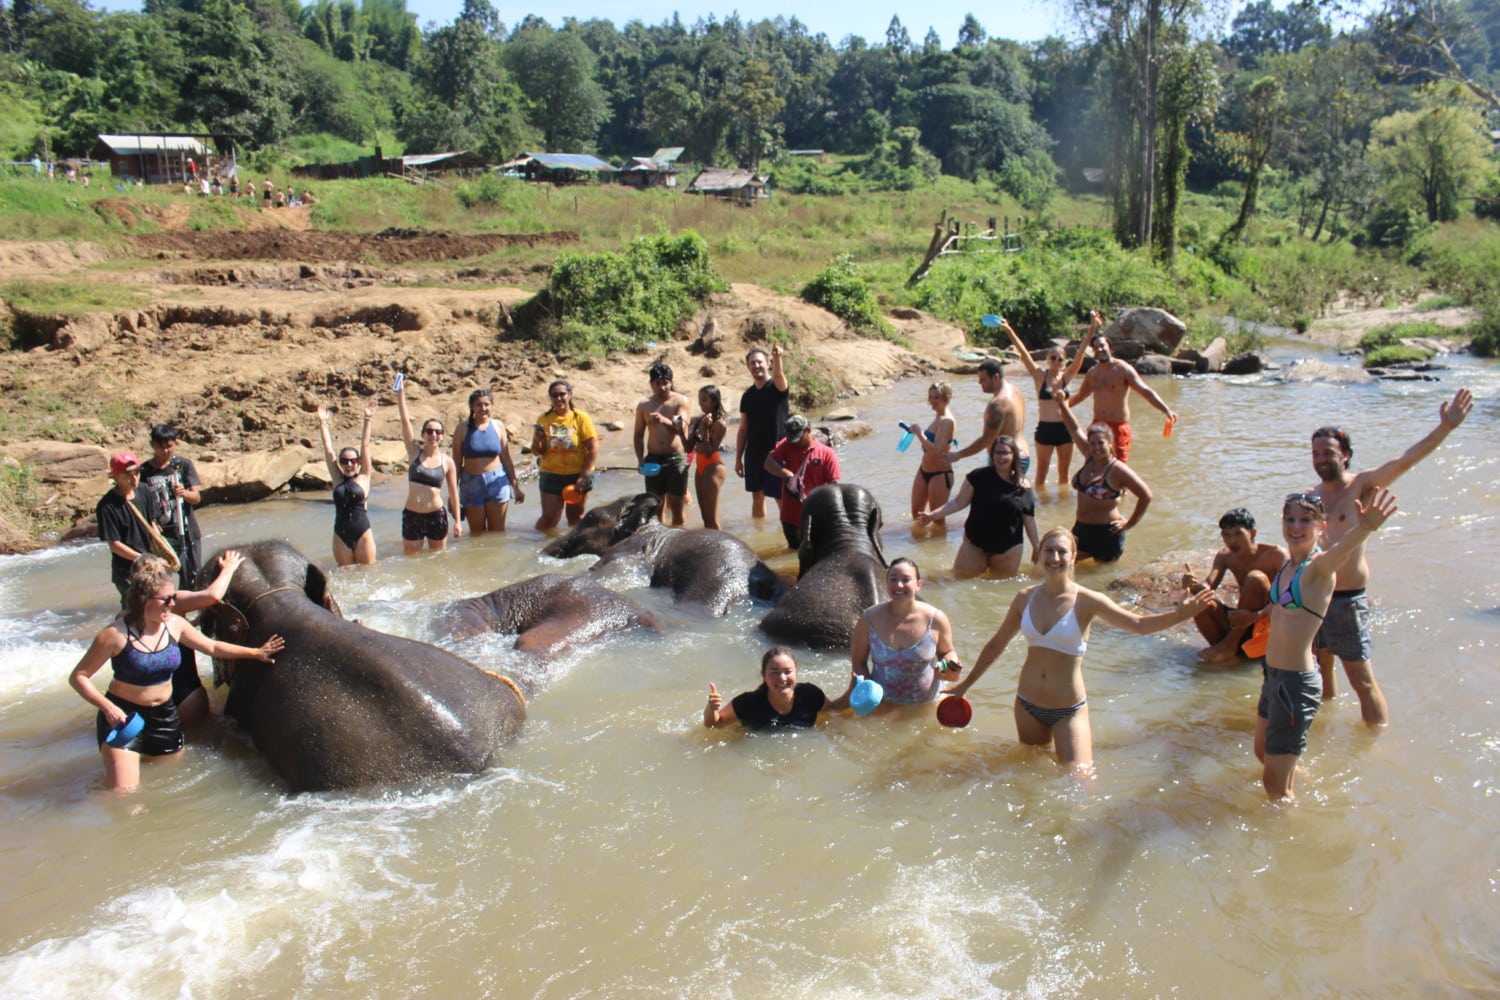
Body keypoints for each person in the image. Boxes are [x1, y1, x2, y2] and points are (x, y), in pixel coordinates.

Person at [947, 527, 1216, 770]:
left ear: (1073, 557)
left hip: (1068, 710)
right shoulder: (1024, 598)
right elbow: (996, 644)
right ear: (1039, 554)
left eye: (1062, 551)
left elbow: (1137, 624)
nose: (1055, 557)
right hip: (1027, 705)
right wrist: (965, 685)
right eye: (1049, 550)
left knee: (1079, 781)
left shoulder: (1087, 601)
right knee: (1031, 775)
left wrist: (1179, 615)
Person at [1306, 388, 1472, 726]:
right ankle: (1325, 726)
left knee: (1362, 681)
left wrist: (1445, 428)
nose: (1321, 459)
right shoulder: (1310, 496)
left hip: (1348, 599)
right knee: (1322, 668)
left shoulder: (1362, 485)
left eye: (1328, 453)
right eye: (1316, 453)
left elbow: (1405, 460)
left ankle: (1375, 742)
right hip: (1317, 595)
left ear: (1345, 455)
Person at [69, 557, 284, 792]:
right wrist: (108, 708)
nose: (173, 604)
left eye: (173, 597)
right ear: (144, 600)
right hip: (123, 718)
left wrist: (255, 652)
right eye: (166, 599)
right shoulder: (114, 635)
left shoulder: (174, 625)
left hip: (165, 717)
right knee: (124, 794)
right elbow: (78, 677)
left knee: (170, 786)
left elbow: (211, 647)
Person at [1255, 490, 1398, 801]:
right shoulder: (1287, 565)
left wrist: (1364, 528)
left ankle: (1287, 821)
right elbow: (1280, 610)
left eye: (1305, 520)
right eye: (1290, 519)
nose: (1296, 526)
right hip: (1273, 675)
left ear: (1321, 526)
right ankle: (1299, 776)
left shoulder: (1318, 567)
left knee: (1275, 789)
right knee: (1262, 752)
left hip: (1294, 684)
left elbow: (1342, 551)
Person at [915, 435, 1039, 578]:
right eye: (998, 452)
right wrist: (932, 515)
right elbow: (957, 503)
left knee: (1001, 587)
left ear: (1014, 456)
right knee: (959, 579)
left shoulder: (1023, 485)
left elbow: (1029, 519)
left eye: (1005, 453)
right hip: (974, 544)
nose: (1001, 457)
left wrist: (1036, 546)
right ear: (992, 455)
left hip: (1009, 548)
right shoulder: (977, 477)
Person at [850, 558, 961, 708]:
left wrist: (950, 665)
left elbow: (947, 651)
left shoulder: (935, 619)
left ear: (918, 585)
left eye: (906, 579)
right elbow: (858, 663)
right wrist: (868, 698)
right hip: (883, 705)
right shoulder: (869, 619)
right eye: (893, 579)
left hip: (928, 705)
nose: (899, 585)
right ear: (886, 584)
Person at [1180, 508, 1287, 664]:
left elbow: (1291, 595)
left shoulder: (1275, 554)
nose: (1232, 541)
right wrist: (1193, 585)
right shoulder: (1225, 556)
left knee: (1255, 578)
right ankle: (1226, 651)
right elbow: (1208, 585)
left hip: (1265, 622)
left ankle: (1228, 646)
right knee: (1201, 600)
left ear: (1253, 533)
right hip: (1240, 621)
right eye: (1227, 535)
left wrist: (1256, 615)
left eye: (1238, 534)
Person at [1055, 394, 1151, 563]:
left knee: (1102, 576)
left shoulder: (1118, 470)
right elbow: (1074, 429)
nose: (1096, 447)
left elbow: (1146, 495)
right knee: (1063, 565)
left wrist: (1129, 523)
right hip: (1081, 529)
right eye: (1092, 443)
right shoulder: (1089, 456)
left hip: (1107, 534)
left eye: (1101, 443)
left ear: (1110, 443)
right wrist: (1062, 404)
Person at [1000, 314, 1092, 487]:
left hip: (1065, 429)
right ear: (1048, 359)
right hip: (1045, 429)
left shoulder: (1067, 377)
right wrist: (1009, 330)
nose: (1056, 361)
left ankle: (1062, 502)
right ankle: (1039, 501)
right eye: (1053, 358)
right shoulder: (1040, 376)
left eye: (1060, 359)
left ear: (1064, 362)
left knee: (1064, 473)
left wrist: (1092, 327)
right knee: (1041, 472)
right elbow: (1024, 354)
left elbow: (1080, 353)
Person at [1067, 324, 1177, 462]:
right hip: (1098, 427)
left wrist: (1166, 410)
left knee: (1118, 466)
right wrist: (1058, 407)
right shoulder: (1092, 373)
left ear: (1110, 347)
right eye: (1095, 347)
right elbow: (1079, 397)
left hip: (1118, 428)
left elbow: (1145, 391)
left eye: (1102, 346)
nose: (1099, 349)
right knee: (1093, 464)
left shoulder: (1123, 369)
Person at [703, 646, 852, 730]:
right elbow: (713, 724)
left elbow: (834, 709)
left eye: (788, 672)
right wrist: (711, 708)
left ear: (796, 673)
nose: (782, 678)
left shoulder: (810, 695)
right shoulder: (748, 703)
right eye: (774, 672)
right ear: (764, 676)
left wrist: (853, 689)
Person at [395, 379, 461, 554]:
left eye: (438, 432)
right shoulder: (414, 452)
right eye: (430, 431)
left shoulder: (447, 462)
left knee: (437, 559)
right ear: (423, 434)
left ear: (442, 436)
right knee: (411, 559)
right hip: (412, 515)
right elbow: (405, 422)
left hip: (436, 515)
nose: (434, 435)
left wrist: (458, 522)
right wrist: (400, 394)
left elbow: (454, 494)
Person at [137, 423, 203, 590]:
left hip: (187, 531)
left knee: (193, 579)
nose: (165, 451)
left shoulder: (183, 465)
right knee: (160, 581)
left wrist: (184, 493)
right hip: (160, 536)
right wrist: (151, 523)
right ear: (152, 445)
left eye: (169, 446)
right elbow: (140, 503)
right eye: (160, 447)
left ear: (175, 444)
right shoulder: (143, 472)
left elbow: (196, 498)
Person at [453, 388, 524, 535]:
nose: (483, 408)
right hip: (471, 483)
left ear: (491, 405)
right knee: (476, 534)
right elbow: (457, 464)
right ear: (472, 407)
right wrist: (453, 495)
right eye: (479, 405)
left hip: (497, 481)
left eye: (486, 404)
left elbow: (506, 459)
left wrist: (516, 487)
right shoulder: (462, 429)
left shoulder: (498, 426)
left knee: (497, 533)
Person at [763, 415, 841, 549]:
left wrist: (812, 499)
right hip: (790, 516)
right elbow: (768, 463)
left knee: (819, 552)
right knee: (792, 553)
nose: (794, 442)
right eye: (791, 437)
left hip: (817, 517)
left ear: (808, 430)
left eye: (798, 437)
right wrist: (785, 473)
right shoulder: (786, 445)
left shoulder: (827, 453)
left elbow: (833, 486)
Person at [532, 380, 599, 531]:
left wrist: (583, 476)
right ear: (550, 398)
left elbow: (593, 448)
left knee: (575, 518)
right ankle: (536, 542)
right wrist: (539, 440)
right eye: (554, 395)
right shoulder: (544, 419)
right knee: (548, 519)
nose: (559, 398)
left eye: (562, 394)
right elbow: (537, 452)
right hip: (551, 474)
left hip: (577, 474)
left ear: (570, 395)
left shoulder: (580, 418)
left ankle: (575, 544)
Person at [316, 401, 376, 565]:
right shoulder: (337, 478)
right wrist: (323, 423)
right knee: (345, 574)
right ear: (341, 463)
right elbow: (328, 450)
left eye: (353, 461)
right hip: (341, 535)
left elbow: (365, 445)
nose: (349, 464)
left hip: (363, 532)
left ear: (358, 462)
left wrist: (368, 419)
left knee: (368, 574)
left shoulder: (364, 476)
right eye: (344, 461)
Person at [735, 344, 790, 520]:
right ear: (748, 367)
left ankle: (788, 532)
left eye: (759, 362)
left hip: (776, 453)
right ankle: (758, 531)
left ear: (768, 363)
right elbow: (743, 428)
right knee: (757, 497)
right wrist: (738, 459)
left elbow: (779, 375)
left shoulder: (777, 387)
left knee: (781, 498)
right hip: (753, 454)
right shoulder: (747, 396)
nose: (756, 366)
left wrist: (778, 358)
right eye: (752, 363)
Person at [633, 361, 692, 526]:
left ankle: (679, 536)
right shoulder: (644, 405)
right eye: (657, 383)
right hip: (653, 459)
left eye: (665, 382)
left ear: (671, 382)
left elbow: (681, 429)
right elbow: (638, 435)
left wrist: (664, 421)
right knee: (655, 506)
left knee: (677, 506)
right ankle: (660, 536)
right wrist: (640, 459)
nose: (662, 387)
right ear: (651, 384)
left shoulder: (680, 402)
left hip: (675, 459)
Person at [952, 356, 1030, 474]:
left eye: (983, 379)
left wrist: (958, 455)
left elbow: (986, 440)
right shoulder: (1015, 391)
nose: (979, 382)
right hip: (1022, 454)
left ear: (996, 377)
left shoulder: (998, 404)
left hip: (1007, 459)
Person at [95, 451, 155, 598]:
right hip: (127, 571)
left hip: (151, 565)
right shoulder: (107, 506)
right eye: (128, 475)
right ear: (115, 477)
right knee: (135, 608)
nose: (134, 478)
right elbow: (115, 545)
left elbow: (153, 524)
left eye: (137, 473)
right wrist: (144, 559)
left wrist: (161, 552)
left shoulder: (145, 491)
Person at [909, 381, 958, 530]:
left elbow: (937, 451)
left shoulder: (947, 421)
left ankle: (939, 544)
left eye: (936, 397)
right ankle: (919, 542)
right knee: (916, 514)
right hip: (924, 470)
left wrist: (919, 433)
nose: (932, 401)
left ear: (947, 397)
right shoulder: (938, 417)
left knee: (937, 521)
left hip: (940, 475)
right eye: (930, 397)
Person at [683, 384, 729, 530]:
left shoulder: (720, 424)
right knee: (705, 518)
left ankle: (719, 544)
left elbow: (709, 450)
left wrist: (705, 431)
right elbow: (688, 447)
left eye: (704, 400)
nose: (700, 404)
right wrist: (679, 431)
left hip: (713, 467)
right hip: (700, 468)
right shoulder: (699, 420)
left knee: (712, 519)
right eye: (699, 400)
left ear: (714, 401)